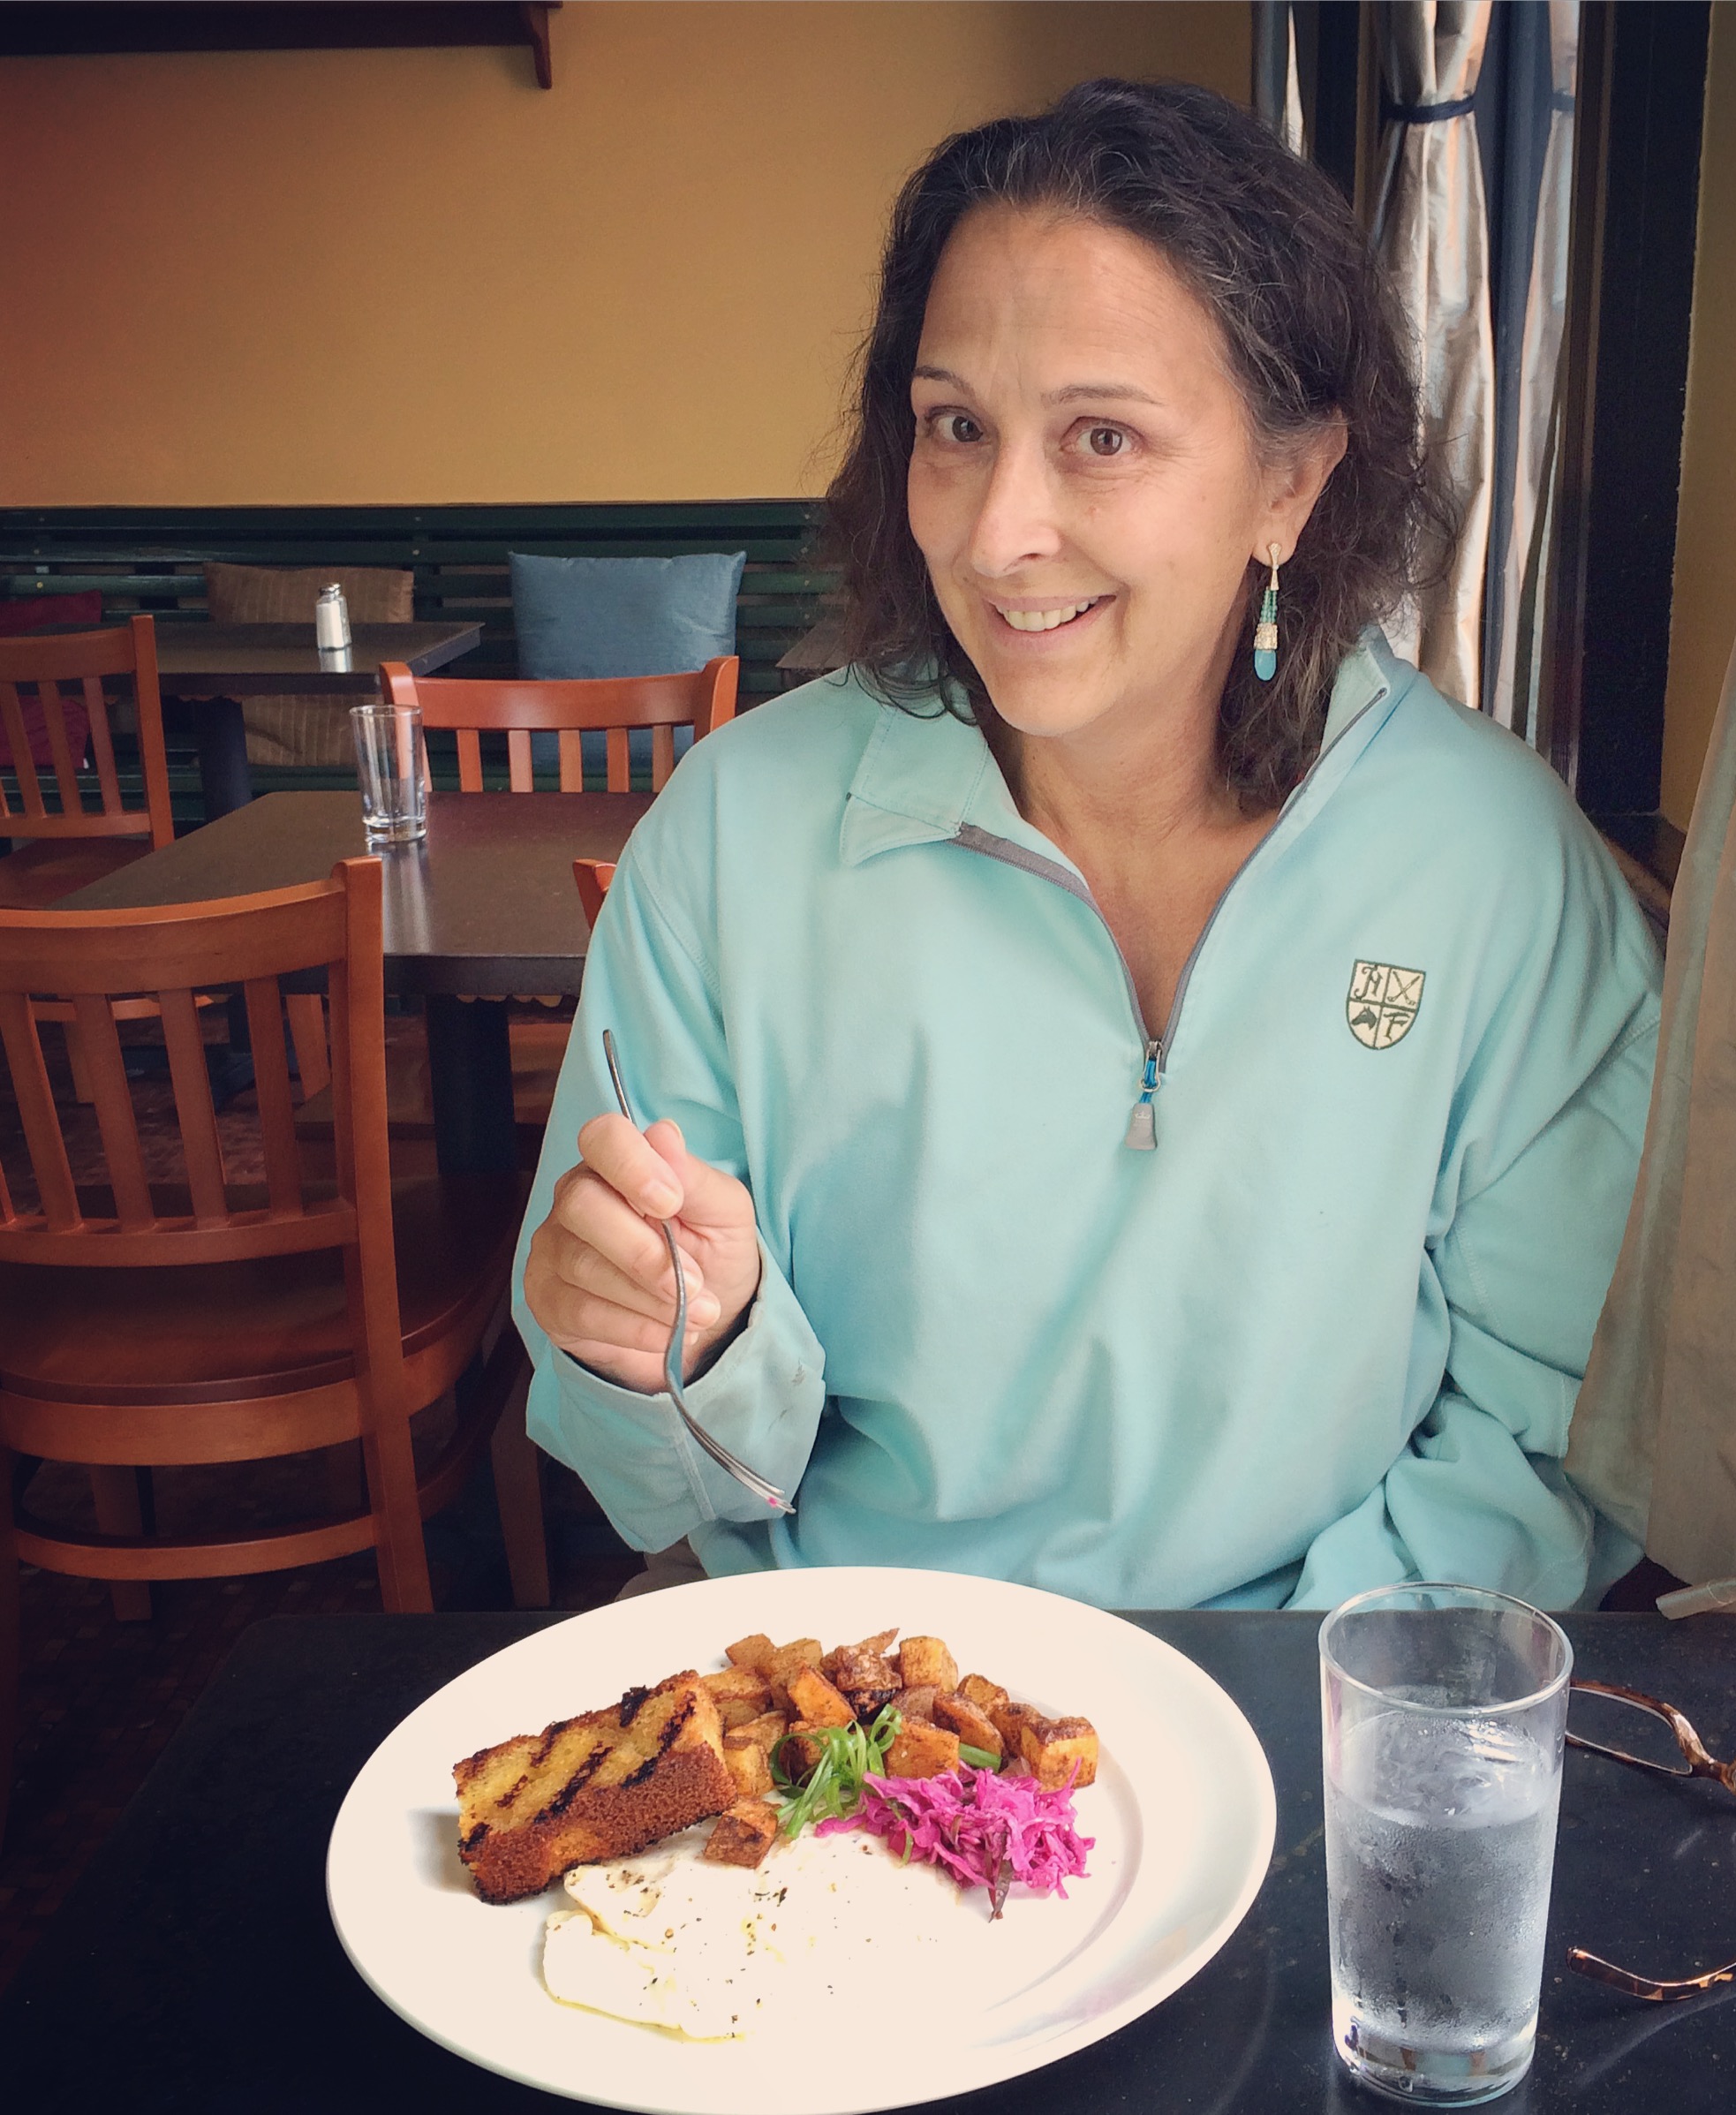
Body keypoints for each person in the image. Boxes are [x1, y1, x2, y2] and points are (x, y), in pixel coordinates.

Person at [515, 79, 1660, 1611]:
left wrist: (1269, 1695)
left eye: (1101, 437)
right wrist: (679, 1349)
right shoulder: (733, 837)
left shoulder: (1492, 867)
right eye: (957, 428)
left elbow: (1553, 1428)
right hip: (838, 1677)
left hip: (1302, 1689)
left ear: (1290, 482)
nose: (997, 533)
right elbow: (659, 1488)